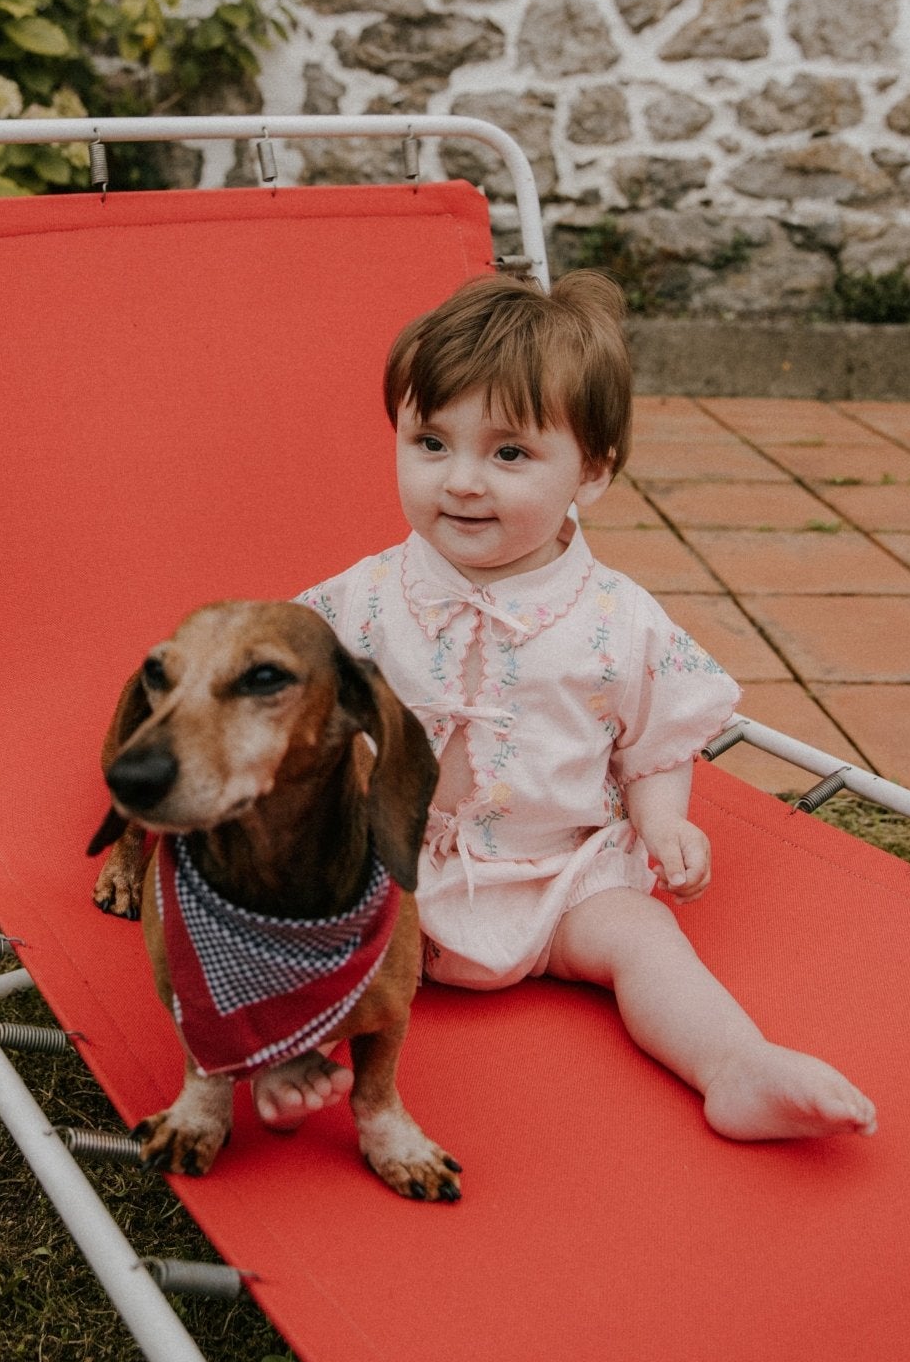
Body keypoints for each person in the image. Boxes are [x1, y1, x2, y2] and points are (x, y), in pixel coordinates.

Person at [254, 270, 876, 1143]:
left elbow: (656, 738)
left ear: (591, 471)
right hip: (394, 872)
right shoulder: (365, 597)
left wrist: (662, 823)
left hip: (559, 881)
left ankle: (735, 1064)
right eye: (430, 443)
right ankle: (291, 1051)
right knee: (312, 916)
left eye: (508, 455)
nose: (461, 481)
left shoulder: (617, 618)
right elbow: (283, 678)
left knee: (642, 936)